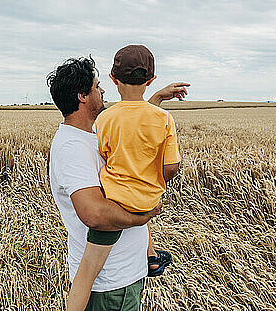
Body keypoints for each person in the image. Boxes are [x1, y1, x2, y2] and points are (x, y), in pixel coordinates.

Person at [47, 55, 188, 311]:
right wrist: (143, 216)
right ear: (82, 96)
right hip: (111, 286)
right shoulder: (72, 147)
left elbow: (133, 124)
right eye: (96, 86)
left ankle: (151, 256)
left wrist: (154, 100)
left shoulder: (93, 133)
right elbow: (95, 215)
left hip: (125, 274)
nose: (102, 91)